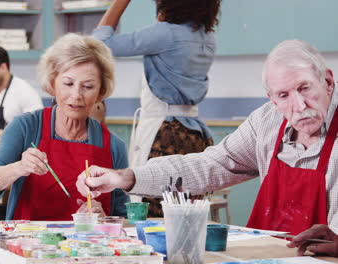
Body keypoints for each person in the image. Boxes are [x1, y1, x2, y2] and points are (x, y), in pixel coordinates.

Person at [76, 39, 338, 235]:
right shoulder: (268, 120)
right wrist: (127, 177)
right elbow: (210, 165)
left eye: (305, 88)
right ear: (272, 99)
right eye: (284, 96)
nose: (300, 105)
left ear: (327, 81)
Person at [0, 33, 129, 220]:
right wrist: (19, 168)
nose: (76, 95)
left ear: (101, 92)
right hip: (26, 245)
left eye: (88, 86)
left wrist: (104, 218)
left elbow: (123, 217)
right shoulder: (25, 127)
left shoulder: (114, 147)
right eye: (68, 83)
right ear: (52, 84)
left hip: (86, 247)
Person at [91, 0, 221, 216]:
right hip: (195, 136)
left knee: (152, 213)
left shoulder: (164, 34)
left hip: (164, 135)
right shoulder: (207, 37)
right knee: (185, 216)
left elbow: (99, 42)